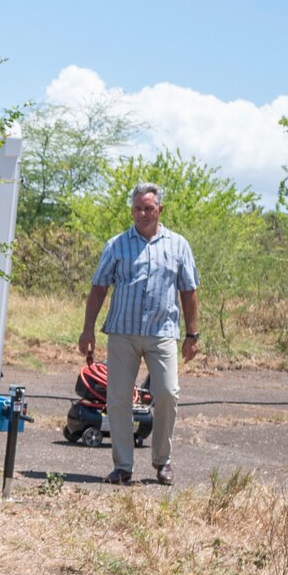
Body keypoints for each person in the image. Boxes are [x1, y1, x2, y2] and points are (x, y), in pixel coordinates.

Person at [78, 181, 200, 486]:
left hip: (163, 333)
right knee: (118, 398)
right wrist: (88, 329)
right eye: (137, 208)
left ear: (160, 209)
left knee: (167, 394)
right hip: (123, 333)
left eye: (148, 208)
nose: (143, 214)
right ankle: (123, 466)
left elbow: (189, 291)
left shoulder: (178, 245)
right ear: (132, 210)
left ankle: (163, 461)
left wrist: (192, 335)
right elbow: (98, 288)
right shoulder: (117, 244)